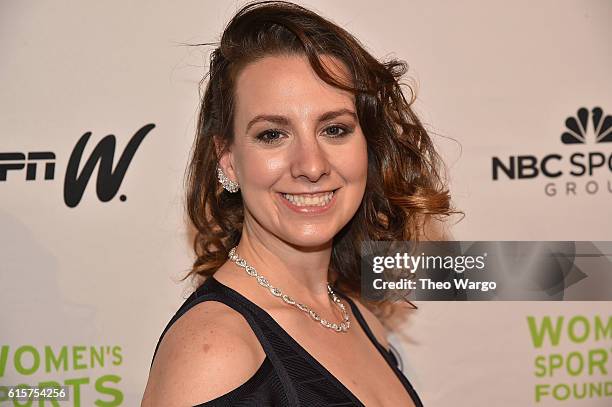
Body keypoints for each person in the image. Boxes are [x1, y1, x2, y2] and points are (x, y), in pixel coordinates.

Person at [142, 1, 453, 405]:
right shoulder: (214, 350)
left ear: (367, 148)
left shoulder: (359, 320)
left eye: (335, 129)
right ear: (229, 160)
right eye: (272, 134)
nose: (311, 166)